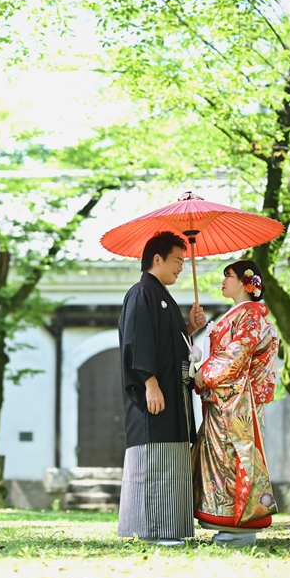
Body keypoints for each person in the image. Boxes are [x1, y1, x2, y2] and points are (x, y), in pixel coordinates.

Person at [117, 231, 206, 547]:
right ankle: (154, 529)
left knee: (172, 457)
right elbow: (139, 342)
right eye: (177, 260)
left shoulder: (162, 296)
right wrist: (150, 383)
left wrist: (190, 328)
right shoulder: (142, 293)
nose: (181, 268)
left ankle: (169, 527)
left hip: (173, 397)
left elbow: (169, 344)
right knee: (155, 458)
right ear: (158, 259)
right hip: (156, 394)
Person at [192, 260, 280, 547]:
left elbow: (237, 355)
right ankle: (224, 520)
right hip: (226, 400)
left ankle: (238, 522)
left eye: (227, 276)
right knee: (222, 460)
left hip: (238, 402)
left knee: (234, 460)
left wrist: (204, 373)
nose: (223, 280)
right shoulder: (240, 314)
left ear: (246, 282)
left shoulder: (252, 316)